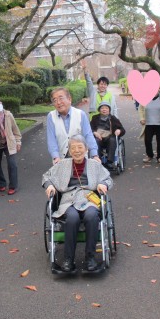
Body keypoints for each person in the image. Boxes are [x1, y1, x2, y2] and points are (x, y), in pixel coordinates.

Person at [42, 134, 113, 273]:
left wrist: (102, 184)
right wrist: (49, 185)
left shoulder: (94, 165)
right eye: (73, 148)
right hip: (68, 200)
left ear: (86, 149)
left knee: (91, 216)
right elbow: (46, 176)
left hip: (89, 199)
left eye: (80, 147)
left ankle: (90, 258)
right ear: (69, 150)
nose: (77, 151)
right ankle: (68, 260)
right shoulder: (62, 164)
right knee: (72, 218)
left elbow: (107, 178)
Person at [46, 87, 100, 165]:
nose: (58, 102)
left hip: (80, 156)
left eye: (61, 98)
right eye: (55, 100)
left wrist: (94, 155)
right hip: (61, 159)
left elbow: (88, 135)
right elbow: (51, 139)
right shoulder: (51, 116)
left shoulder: (80, 114)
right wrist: (55, 156)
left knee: (81, 176)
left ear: (69, 99)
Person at [138, 83, 160, 164]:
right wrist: (141, 118)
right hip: (148, 123)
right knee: (147, 140)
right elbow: (140, 109)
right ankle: (150, 155)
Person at [90, 101, 125, 169]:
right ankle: (97, 160)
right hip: (98, 138)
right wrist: (94, 132)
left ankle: (109, 161)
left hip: (109, 138)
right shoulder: (95, 118)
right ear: (99, 110)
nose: (104, 109)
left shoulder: (113, 118)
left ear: (109, 110)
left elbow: (123, 130)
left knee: (112, 139)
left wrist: (119, 130)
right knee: (96, 141)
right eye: (102, 108)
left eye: (106, 108)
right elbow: (89, 129)